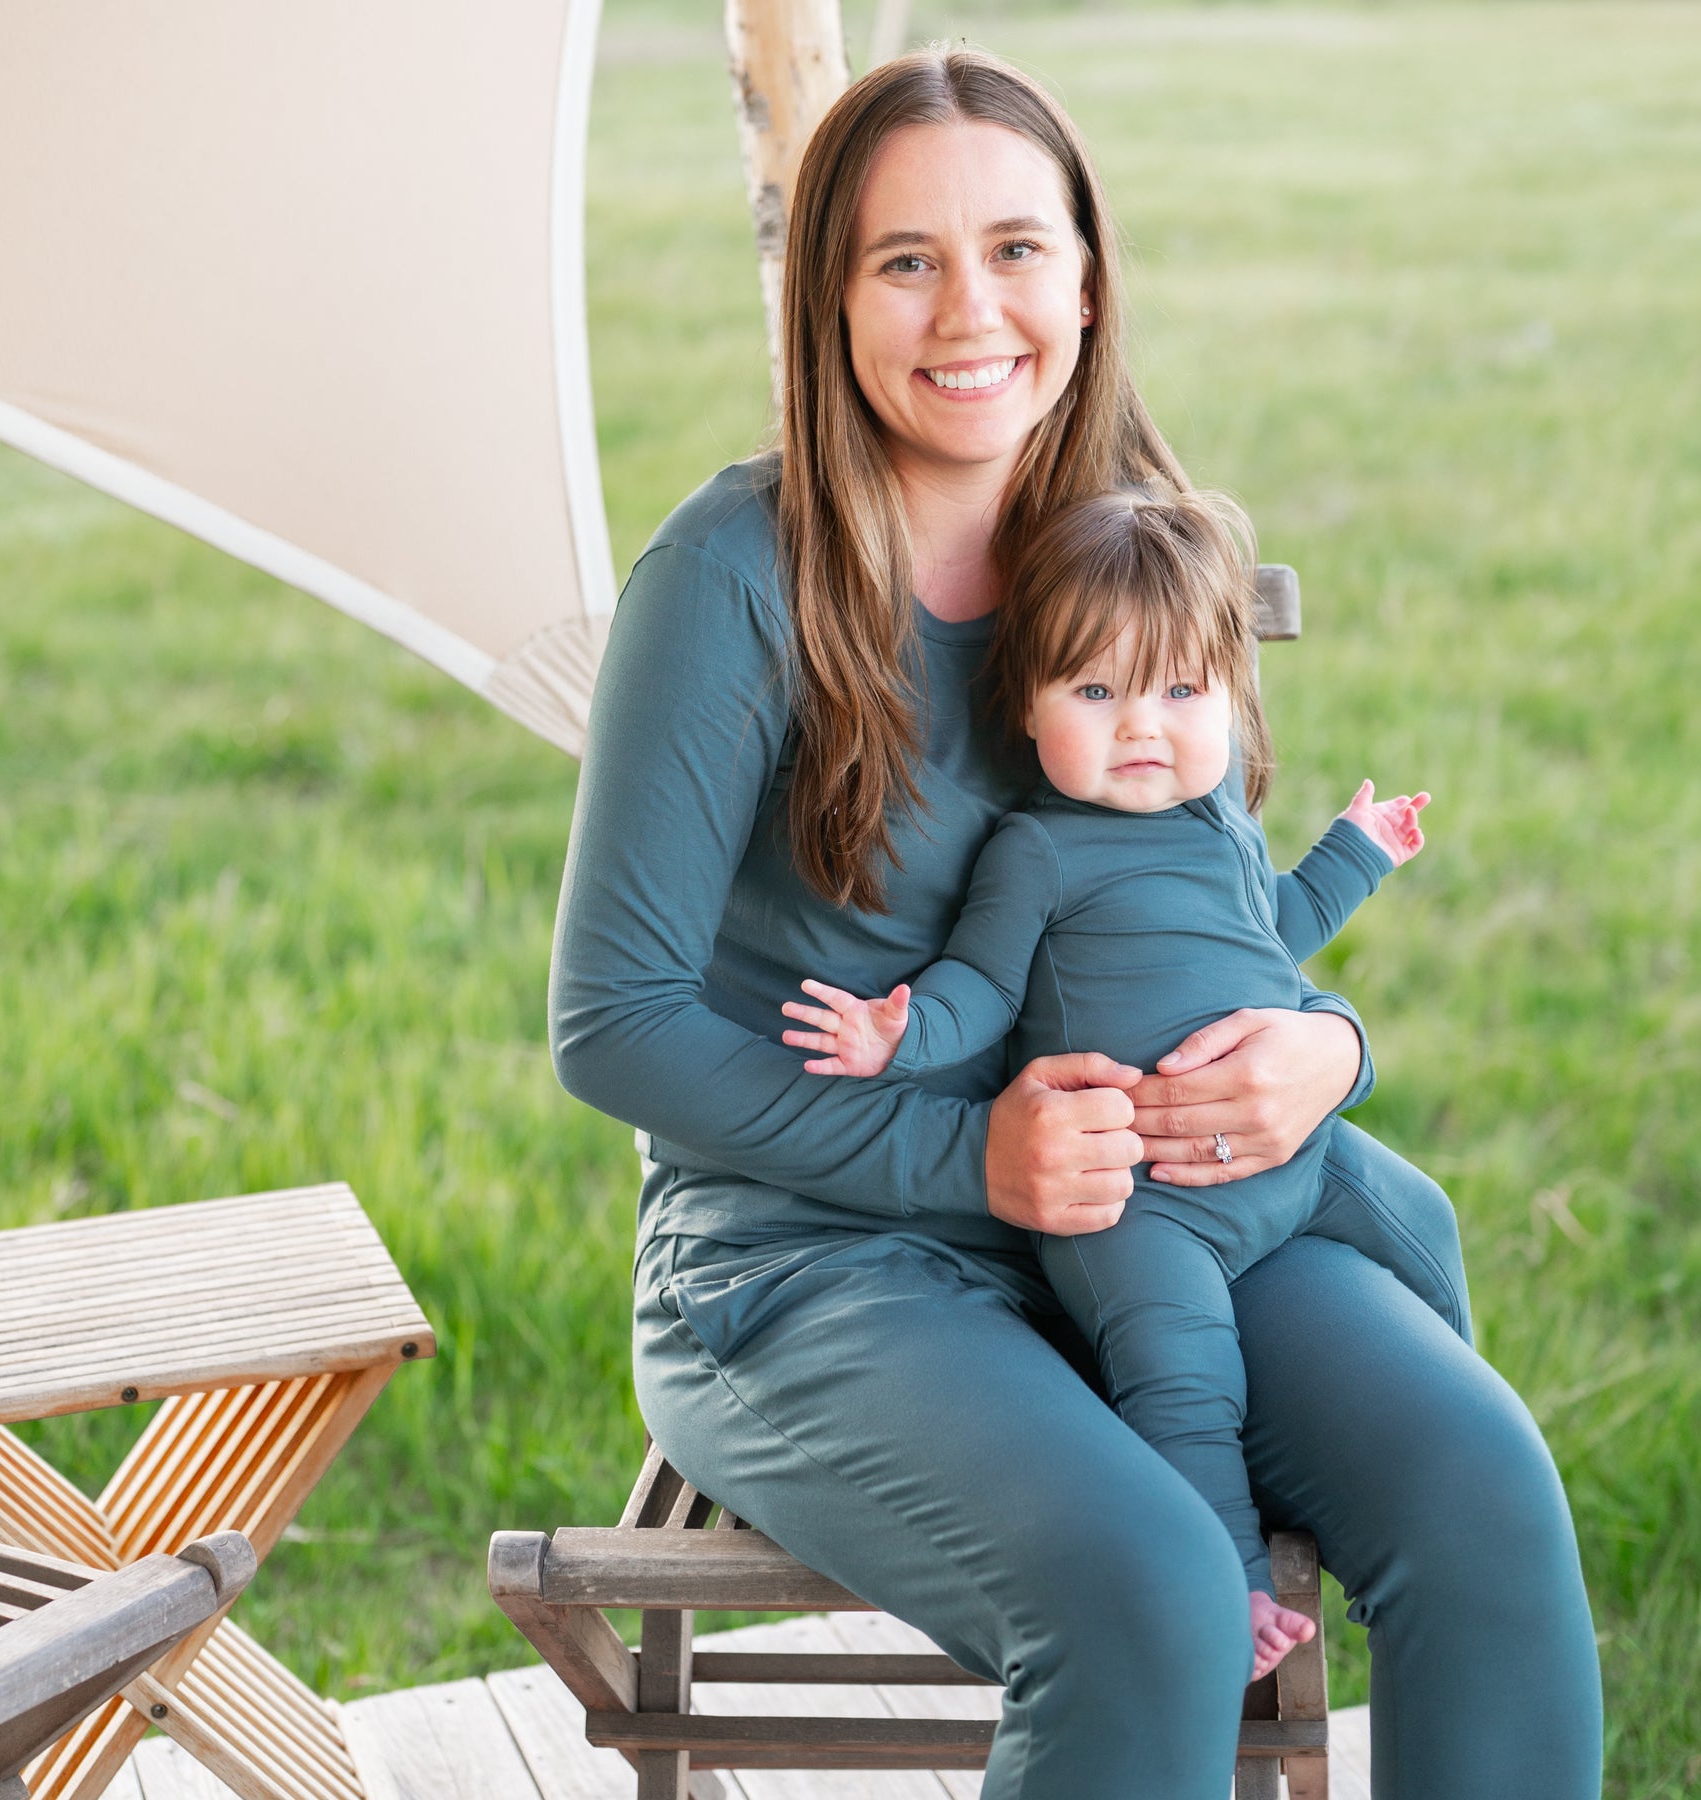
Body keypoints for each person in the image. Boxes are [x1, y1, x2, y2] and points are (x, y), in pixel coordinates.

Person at [550, 45, 1602, 1799]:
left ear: (1091, 272)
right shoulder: (736, 578)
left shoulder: (1127, 543)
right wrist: (983, 1168)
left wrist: (1324, 1051)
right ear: (829, 296)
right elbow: (615, 1025)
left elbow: (1220, 918)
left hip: (1165, 1219)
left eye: (1019, 247)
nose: (974, 308)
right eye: (907, 260)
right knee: (1151, 1590)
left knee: (1485, 1490)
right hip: (818, 1260)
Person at [778, 481, 1468, 1681]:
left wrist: (1356, 855)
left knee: (1427, 1221)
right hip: (1140, 1206)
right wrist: (900, 1033)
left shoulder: (1220, 827)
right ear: (1029, 706)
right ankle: (1235, 1587)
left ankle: (1410, 1491)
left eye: (1181, 692)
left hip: (1294, 1161)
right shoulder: (1036, 851)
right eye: (1095, 692)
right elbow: (981, 993)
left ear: (1232, 698)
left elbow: (1278, 931)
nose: (1142, 726)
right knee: (1177, 1372)